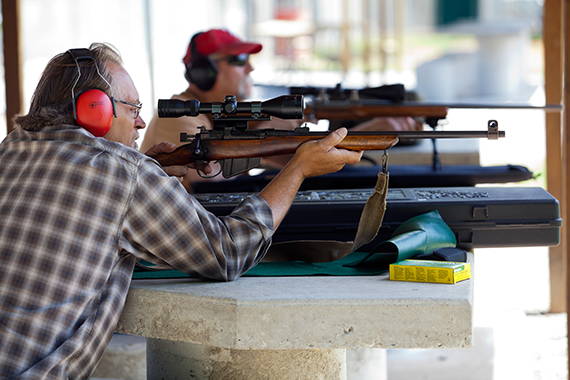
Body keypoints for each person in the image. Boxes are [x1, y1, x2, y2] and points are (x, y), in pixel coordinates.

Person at [0, 42, 361, 379]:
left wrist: (144, 170)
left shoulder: (9, 151)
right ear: (95, 108)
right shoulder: (125, 174)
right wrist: (297, 169)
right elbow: (227, 253)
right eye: (133, 109)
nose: (140, 123)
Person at [140, 28, 420, 190]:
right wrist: (267, 144)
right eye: (238, 59)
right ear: (203, 72)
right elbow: (208, 181)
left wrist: (277, 142)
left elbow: (303, 164)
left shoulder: (221, 116)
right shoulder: (180, 114)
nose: (250, 66)